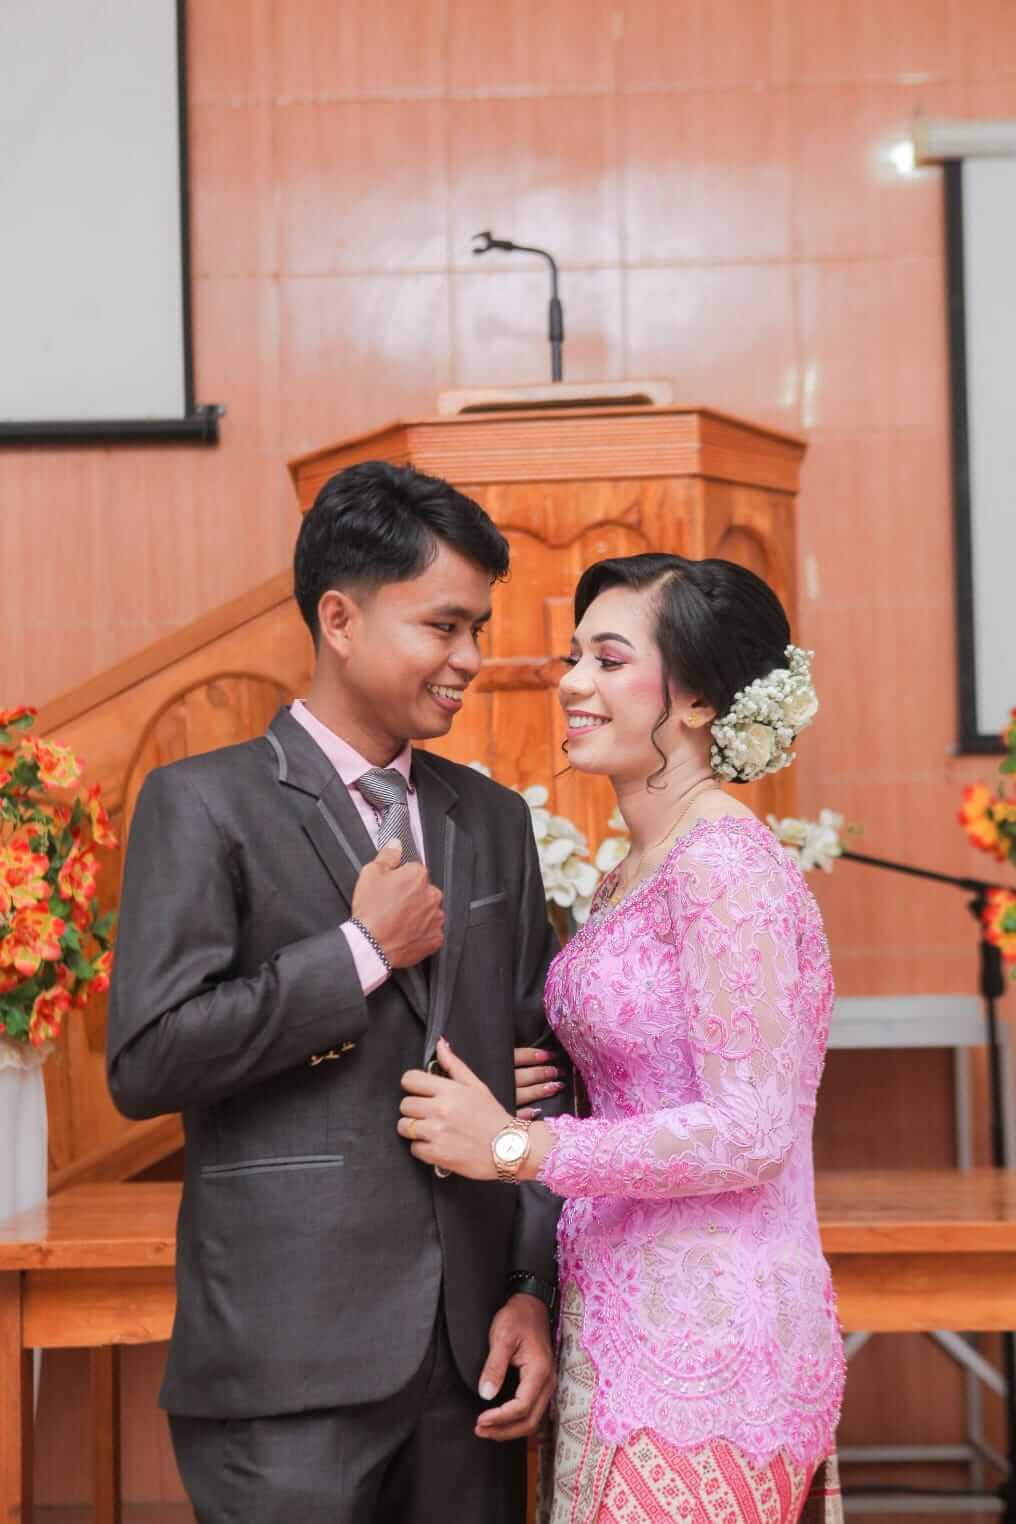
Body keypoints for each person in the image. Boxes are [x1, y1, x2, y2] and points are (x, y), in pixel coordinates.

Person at [107, 461, 570, 1524]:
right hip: (286, 1367)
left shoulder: (491, 819)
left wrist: (530, 1289)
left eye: (478, 629)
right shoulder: (201, 804)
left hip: (471, 1361)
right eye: (442, 626)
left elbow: (541, 1082)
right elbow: (148, 1059)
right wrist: (361, 950)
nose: (469, 659)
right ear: (340, 619)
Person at [400, 552, 846, 1524]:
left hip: (707, 1345)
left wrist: (516, 1146)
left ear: (697, 700)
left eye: (607, 660)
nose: (571, 682)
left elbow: (750, 1130)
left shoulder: (724, 865)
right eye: (574, 658)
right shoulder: (634, 869)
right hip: (617, 1317)